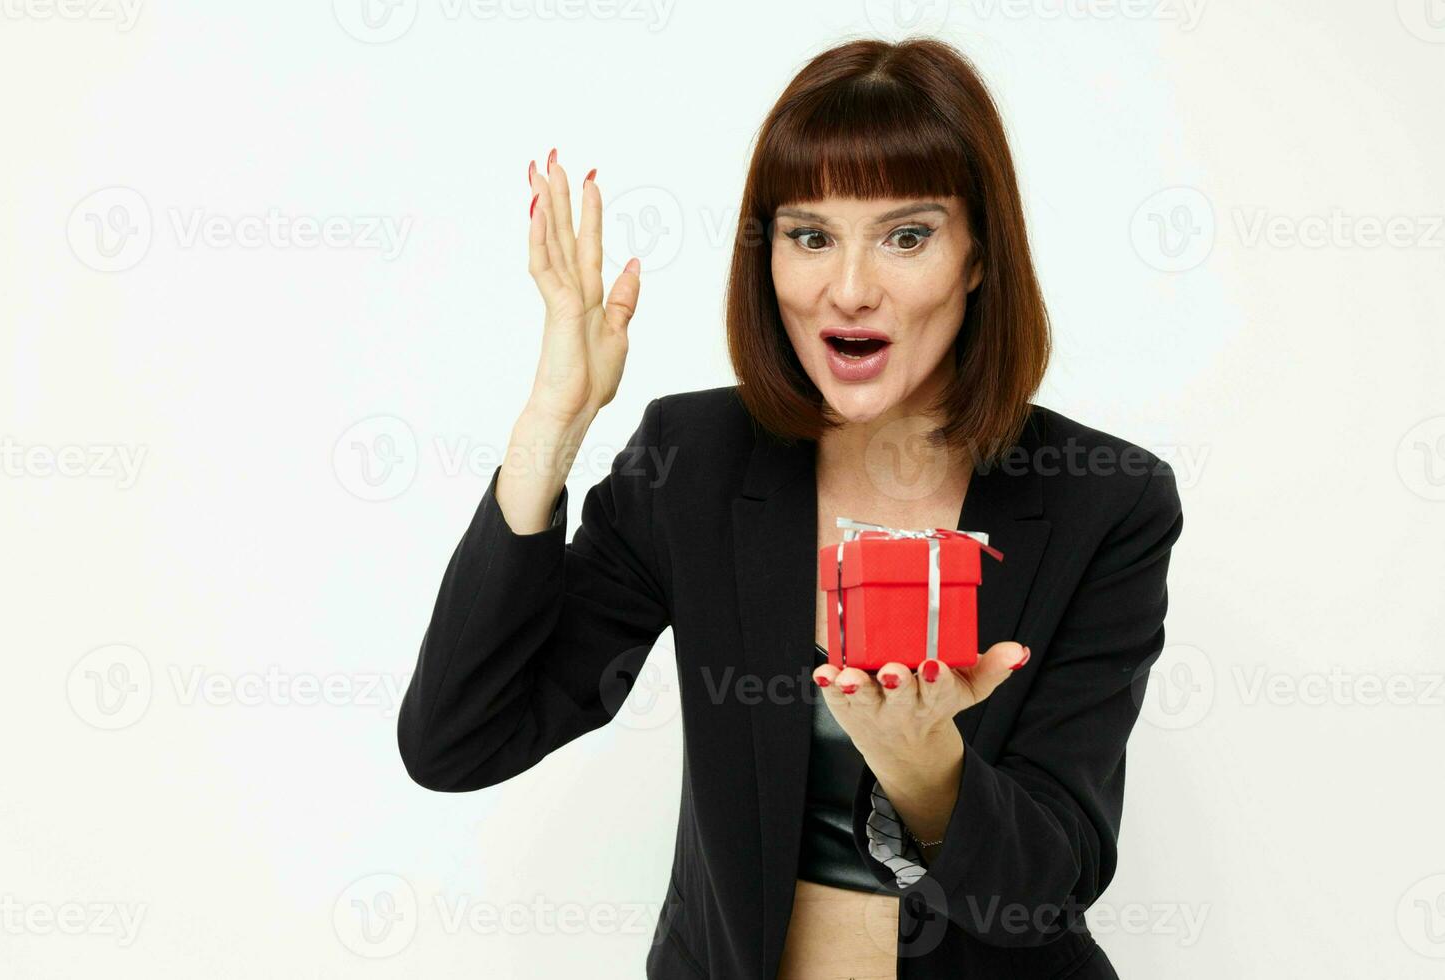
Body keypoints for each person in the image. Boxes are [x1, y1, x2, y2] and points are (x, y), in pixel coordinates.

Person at [397, 35, 1183, 979]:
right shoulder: (693, 464)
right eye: (811, 236)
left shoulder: (1108, 500)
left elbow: (1047, 892)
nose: (849, 289)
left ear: (979, 257)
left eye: (907, 235)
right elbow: (458, 739)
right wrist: (553, 421)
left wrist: (926, 767)